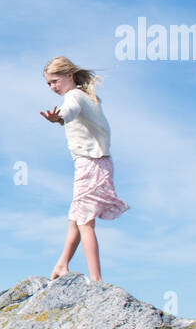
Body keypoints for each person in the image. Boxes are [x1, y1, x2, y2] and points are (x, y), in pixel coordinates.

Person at [39, 55, 129, 281]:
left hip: (90, 164)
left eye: (55, 81)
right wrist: (59, 120)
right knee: (76, 219)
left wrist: (57, 118)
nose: (52, 87)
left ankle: (96, 280)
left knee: (85, 223)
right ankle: (62, 264)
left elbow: (69, 110)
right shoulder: (89, 97)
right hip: (97, 162)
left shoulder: (74, 96)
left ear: (69, 76)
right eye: (49, 84)